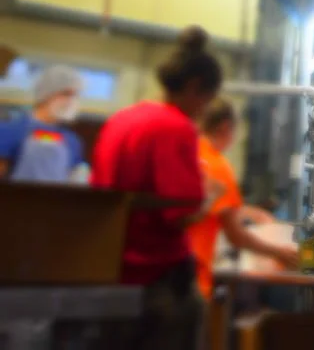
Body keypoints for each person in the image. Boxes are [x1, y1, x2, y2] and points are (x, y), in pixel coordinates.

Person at [91, 26, 222, 350]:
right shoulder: (175, 127)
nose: (204, 110)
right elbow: (178, 215)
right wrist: (210, 197)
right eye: (207, 100)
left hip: (108, 270)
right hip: (156, 278)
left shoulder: (122, 119)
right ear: (194, 87)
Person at [188, 98, 298, 299]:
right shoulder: (218, 167)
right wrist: (278, 252)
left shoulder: (187, 152)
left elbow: (206, 205)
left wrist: (250, 212)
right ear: (225, 127)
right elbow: (236, 235)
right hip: (192, 276)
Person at [0, 64, 87, 183]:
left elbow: (72, 179)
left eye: (75, 95)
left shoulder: (72, 140)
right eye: (66, 93)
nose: (71, 101)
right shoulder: (11, 130)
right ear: (45, 94)